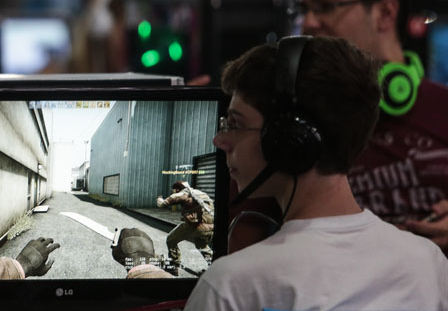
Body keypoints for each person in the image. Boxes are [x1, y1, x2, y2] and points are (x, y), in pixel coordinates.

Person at [184, 35, 448, 310]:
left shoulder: (231, 287)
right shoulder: (427, 264)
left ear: (288, 139)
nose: (220, 140)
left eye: (235, 123)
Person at [294, 0, 448, 253]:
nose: (308, 23)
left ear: (385, 13)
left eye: (326, 5)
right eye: (303, 10)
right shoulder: (295, 120)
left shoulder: (442, 107)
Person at [156, 181, 214, 275]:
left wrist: (159, 199)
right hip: (211, 227)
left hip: (196, 226)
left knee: (171, 240)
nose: (174, 192)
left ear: (177, 189)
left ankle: (173, 266)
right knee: (202, 246)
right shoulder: (200, 193)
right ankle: (214, 268)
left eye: (174, 190)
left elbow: (161, 204)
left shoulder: (181, 194)